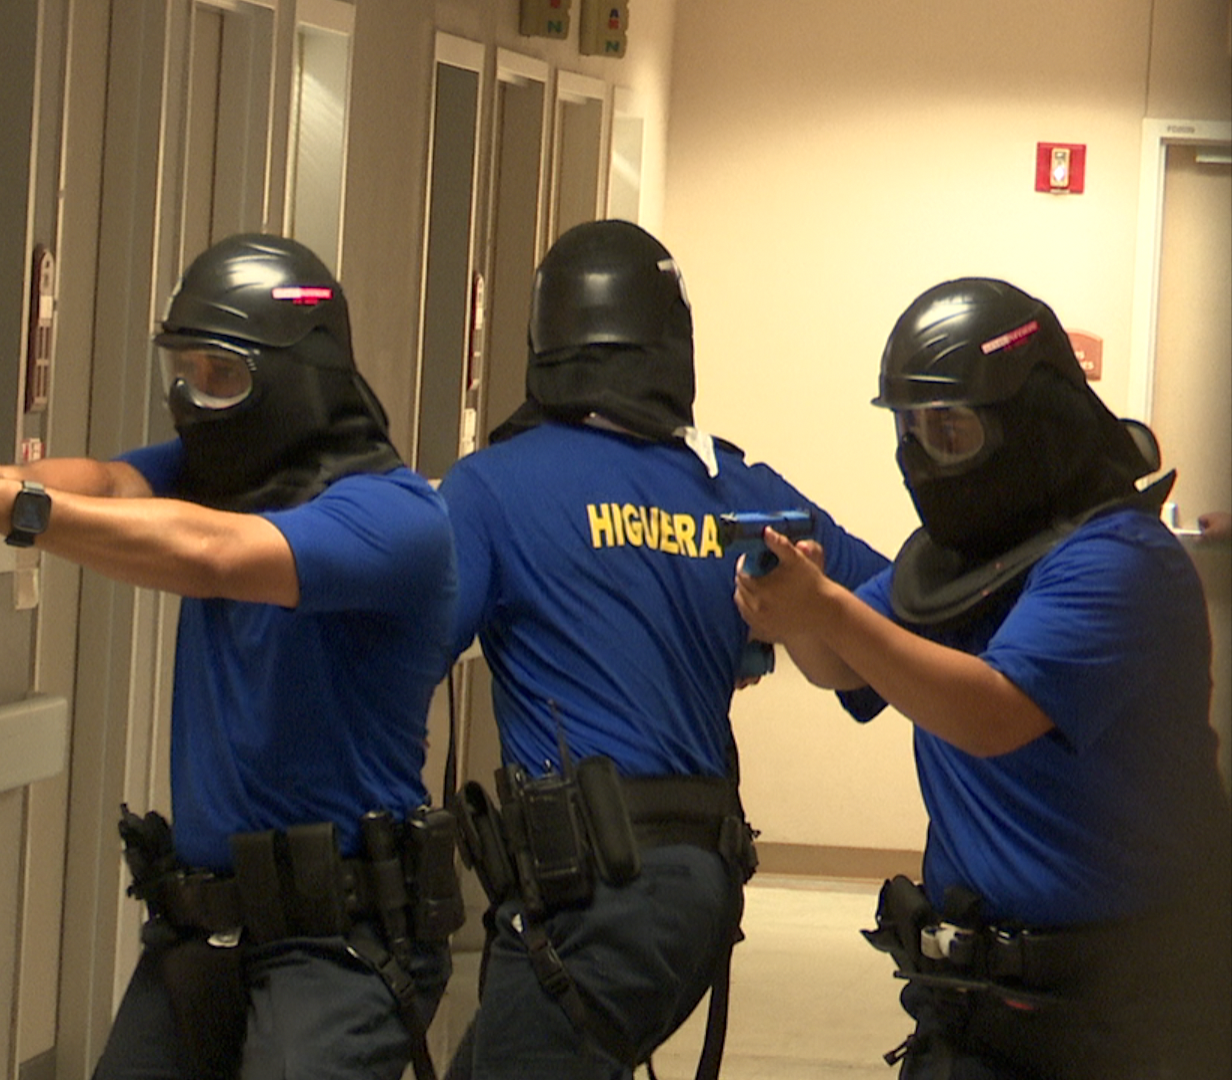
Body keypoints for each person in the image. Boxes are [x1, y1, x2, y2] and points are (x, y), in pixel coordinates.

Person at [0, 234, 462, 1080]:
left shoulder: (395, 519)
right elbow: (115, 486)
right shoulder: (216, 477)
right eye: (188, 371)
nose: (198, 399)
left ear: (296, 374)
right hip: (205, 926)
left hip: (338, 945)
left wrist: (18, 510)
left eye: (223, 376)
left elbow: (217, 557)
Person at [733, 277, 1232, 1079]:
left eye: (951, 430)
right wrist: (793, 617)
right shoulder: (957, 564)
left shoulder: (1116, 561)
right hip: (974, 1010)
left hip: (1130, 1017)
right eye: (910, 430)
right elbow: (842, 664)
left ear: (1029, 419)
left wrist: (823, 609)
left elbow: (993, 715)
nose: (925, 459)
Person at [438, 220, 888, 1080]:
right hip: (691, 890)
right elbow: (904, 601)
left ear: (545, 342)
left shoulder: (491, 486)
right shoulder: (737, 487)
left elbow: (405, 662)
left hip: (588, 892)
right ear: (673, 345)